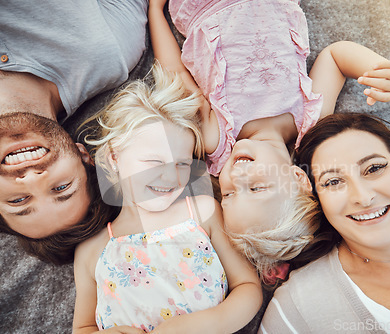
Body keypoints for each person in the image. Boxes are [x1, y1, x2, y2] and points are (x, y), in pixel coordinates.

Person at [148, 0, 390, 275]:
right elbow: (335, 58)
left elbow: (175, 73)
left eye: (229, 193)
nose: (237, 177)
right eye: (256, 188)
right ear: (298, 178)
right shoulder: (311, 123)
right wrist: (376, 69)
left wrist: (155, 13)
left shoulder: (218, 138)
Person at [72, 63, 262, 333]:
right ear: (114, 157)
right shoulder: (93, 249)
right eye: (153, 162)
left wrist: (206, 324)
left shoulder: (202, 212)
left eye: (182, 164)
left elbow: (249, 288)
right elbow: (82, 327)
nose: (170, 178)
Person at [0, 0, 148, 262]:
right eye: (61, 187)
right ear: (83, 156)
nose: (32, 179)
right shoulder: (111, 54)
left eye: (18, 201)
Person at [259, 113, 390, 333]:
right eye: (333, 181)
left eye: (374, 168)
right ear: (319, 201)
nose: (363, 197)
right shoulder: (295, 308)